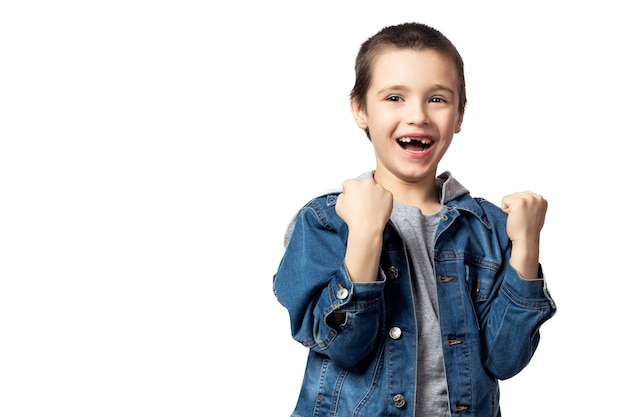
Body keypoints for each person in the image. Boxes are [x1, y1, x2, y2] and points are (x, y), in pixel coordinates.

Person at [272, 22, 556, 417]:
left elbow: (505, 360)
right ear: (360, 109)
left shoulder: (488, 227)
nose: (418, 115)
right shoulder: (327, 221)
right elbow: (340, 345)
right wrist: (366, 236)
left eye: (437, 99)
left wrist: (525, 249)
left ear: (459, 114)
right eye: (394, 97)